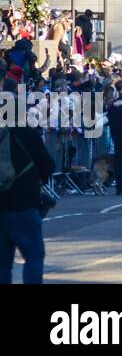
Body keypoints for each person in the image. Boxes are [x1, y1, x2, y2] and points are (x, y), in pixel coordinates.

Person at [0, 80, 54, 284]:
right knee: (33, 257)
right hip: (24, 204)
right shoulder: (28, 134)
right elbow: (47, 164)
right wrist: (36, 182)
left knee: (2, 263)